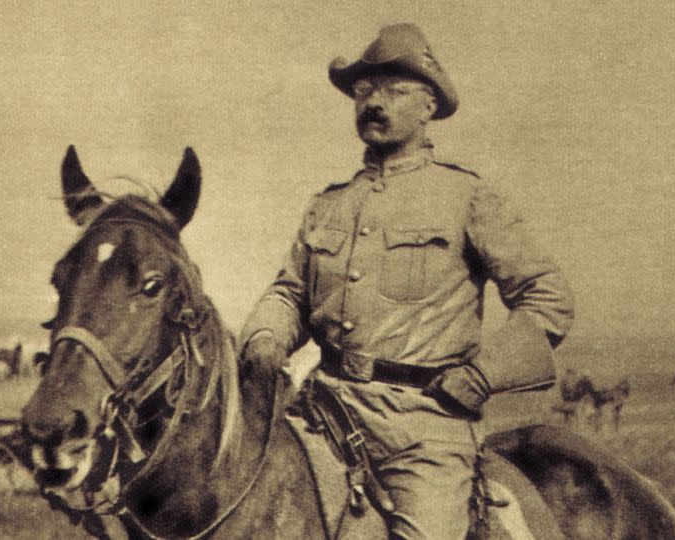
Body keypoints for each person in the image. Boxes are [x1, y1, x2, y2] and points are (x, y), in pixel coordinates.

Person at [240, 23, 574, 539]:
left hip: (423, 428)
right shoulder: (329, 204)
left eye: (395, 91)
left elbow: (547, 298)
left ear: (429, 106)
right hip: (322, 409)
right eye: (364, 90)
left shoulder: (467, 197)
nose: (375, 102)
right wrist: (264, 338)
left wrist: (483, 376)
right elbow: (290, 293)